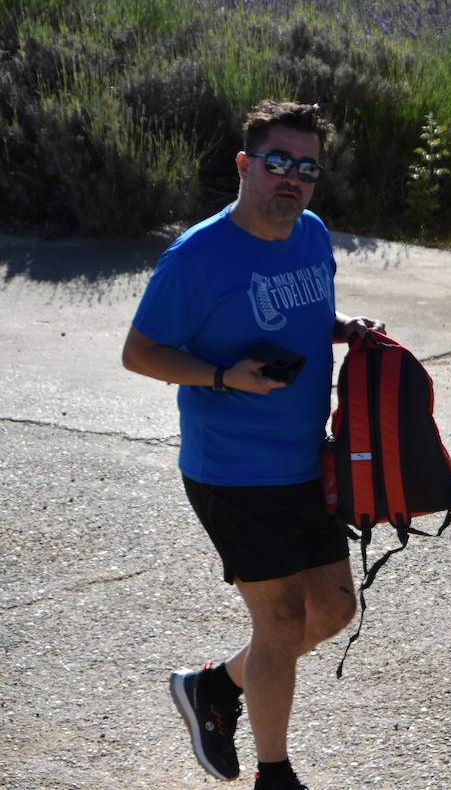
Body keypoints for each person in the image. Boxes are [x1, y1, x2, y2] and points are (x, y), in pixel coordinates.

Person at [122, 100, 383, 790]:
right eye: (277, 163)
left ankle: (214, 686)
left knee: (332, 611)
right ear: (245, 166)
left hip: (305, 459)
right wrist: (219, 374)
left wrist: (344, 328)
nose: (291, 179)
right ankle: (276, 773)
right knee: (281, 619)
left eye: (306, 168)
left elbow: (306, 316)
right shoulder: (199, 257)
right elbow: (140, 352)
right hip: (232, 470)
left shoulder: (312, 233)